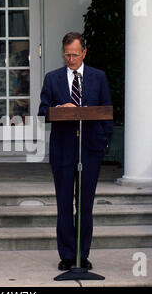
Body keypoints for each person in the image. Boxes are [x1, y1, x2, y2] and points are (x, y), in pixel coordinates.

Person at [38, 32, 113, 271]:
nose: (71, 59)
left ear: (84, 52)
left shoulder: (98, 77)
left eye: (75, 54)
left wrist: (103, 141)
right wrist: (61, 107)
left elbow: (107, 110)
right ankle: (67, 255)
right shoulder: (52, 78)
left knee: (85, 205)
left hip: (90, 149)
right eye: (67, 55)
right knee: (63, 205)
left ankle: (82, 254)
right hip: (63, 149)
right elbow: (42, 111)